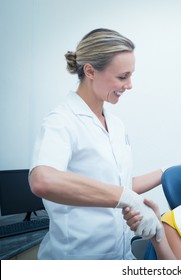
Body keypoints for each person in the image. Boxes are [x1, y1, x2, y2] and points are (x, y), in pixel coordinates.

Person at [29, 28, 162, 260]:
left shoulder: (116, 124)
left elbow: (117, 184)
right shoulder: (61, 121)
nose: (129, 85)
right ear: (90, 71)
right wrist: (128, 198)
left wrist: (165, 173)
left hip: (120, 256)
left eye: (131, 75)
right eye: (122, 76)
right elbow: (43, 180)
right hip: (76, 260)